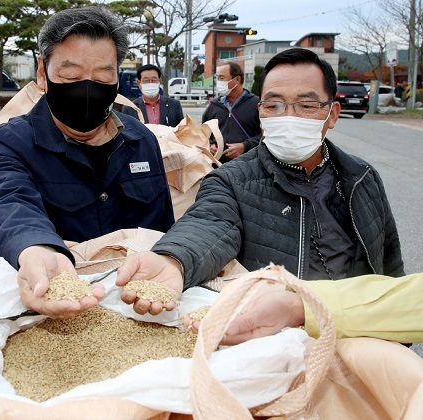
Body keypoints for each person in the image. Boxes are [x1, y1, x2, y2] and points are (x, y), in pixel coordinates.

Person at [116, 47, 404, 316]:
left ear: (332, 114)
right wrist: (173, 260)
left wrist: (396, 329)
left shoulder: (362, 176)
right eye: (274, 105)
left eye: (306, 105)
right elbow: (206, 225)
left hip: (359, 327)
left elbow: (390, 263)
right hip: (280, 339)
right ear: (261, 113)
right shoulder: (230, 181)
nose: (288, 117)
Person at [0, 6, 175, 318]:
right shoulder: (7, 142)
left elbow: (165, 228)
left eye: (102, 76)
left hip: (136, 309)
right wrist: (35, 248)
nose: (87, 88)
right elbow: (6, 203)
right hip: (49, 313)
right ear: (42, 72)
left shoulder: (142, 140)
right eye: (70, 75)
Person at [184, 272, 422, 345]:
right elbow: (210, 221)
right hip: (325, 321)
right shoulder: (233, 177)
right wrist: (299, 306)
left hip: (354, 329)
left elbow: (389, 255)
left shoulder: (362, 175)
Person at [202, 62, 262, 163]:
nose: (218, 82)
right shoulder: (214, 105)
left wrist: (244, 146)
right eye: (217, 78)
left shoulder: (256, 104)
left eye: (222, 78)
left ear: (237, 80)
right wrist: (210, 145)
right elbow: (202, 133)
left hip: (247, 164)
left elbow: (266, 135)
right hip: (217, 166)